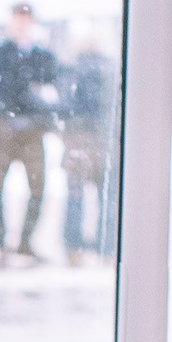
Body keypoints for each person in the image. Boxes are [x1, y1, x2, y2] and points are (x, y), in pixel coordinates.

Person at [0, 1, 61, 261]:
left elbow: (55, 91)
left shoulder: (42, 57)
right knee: (0, 188)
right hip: (5, 132)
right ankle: (2, 242)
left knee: (37, 188)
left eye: (26, 19)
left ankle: (25, 241)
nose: (22, 24)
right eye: (18, 19)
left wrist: (43, 114)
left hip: (32, 132)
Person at [58, 45, 114, 265]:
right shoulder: (108, 70)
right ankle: (107, 246)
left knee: (75, 197)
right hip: (102, 141)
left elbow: (63, 106)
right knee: (107, 197)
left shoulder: (71, 71)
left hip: (77, 140)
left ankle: (73, 248)